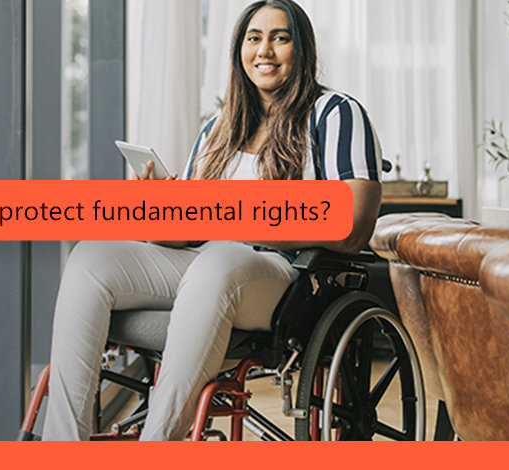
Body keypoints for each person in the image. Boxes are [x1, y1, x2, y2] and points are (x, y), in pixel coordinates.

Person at [42, 0, 382, 441]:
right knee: (91, 257)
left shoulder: (335, 113)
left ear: (302, 50)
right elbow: (185, 236)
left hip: (285, 275)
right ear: (238, 50)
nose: (265, 50)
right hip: (203, 263)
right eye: (253, 38)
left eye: (280, 38)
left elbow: (353, 225)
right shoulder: (217, 129)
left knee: (217, 262)